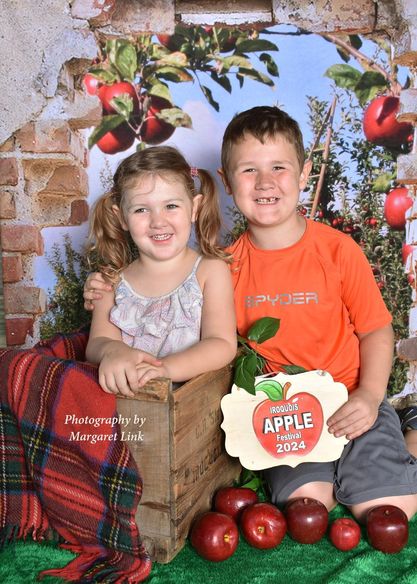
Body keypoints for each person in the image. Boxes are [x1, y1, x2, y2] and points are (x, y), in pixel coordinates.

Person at [83, 106, 417, 523]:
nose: (265, 183)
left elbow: (376, 331)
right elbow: (166, 291)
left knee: (390, 509)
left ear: (305, 172)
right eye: (248, 171)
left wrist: (369, 395)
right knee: (307, 505)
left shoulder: (337, 249)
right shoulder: (223, 266)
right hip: (284, 413)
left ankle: (408, 434)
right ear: (225, 181)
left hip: (352, 398)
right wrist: (105, 287)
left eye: (279, 167)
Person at [84, 145, 236, 397]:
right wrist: (113, 350)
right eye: (141, 209)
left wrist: (166, 368)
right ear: (121, 216)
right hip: (129, 410)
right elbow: (97, 342)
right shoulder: (111, 283)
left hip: (189, 410)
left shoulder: (209, 272)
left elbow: (221, 344)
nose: (158, 221)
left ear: (194, 208)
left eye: (171, 206)